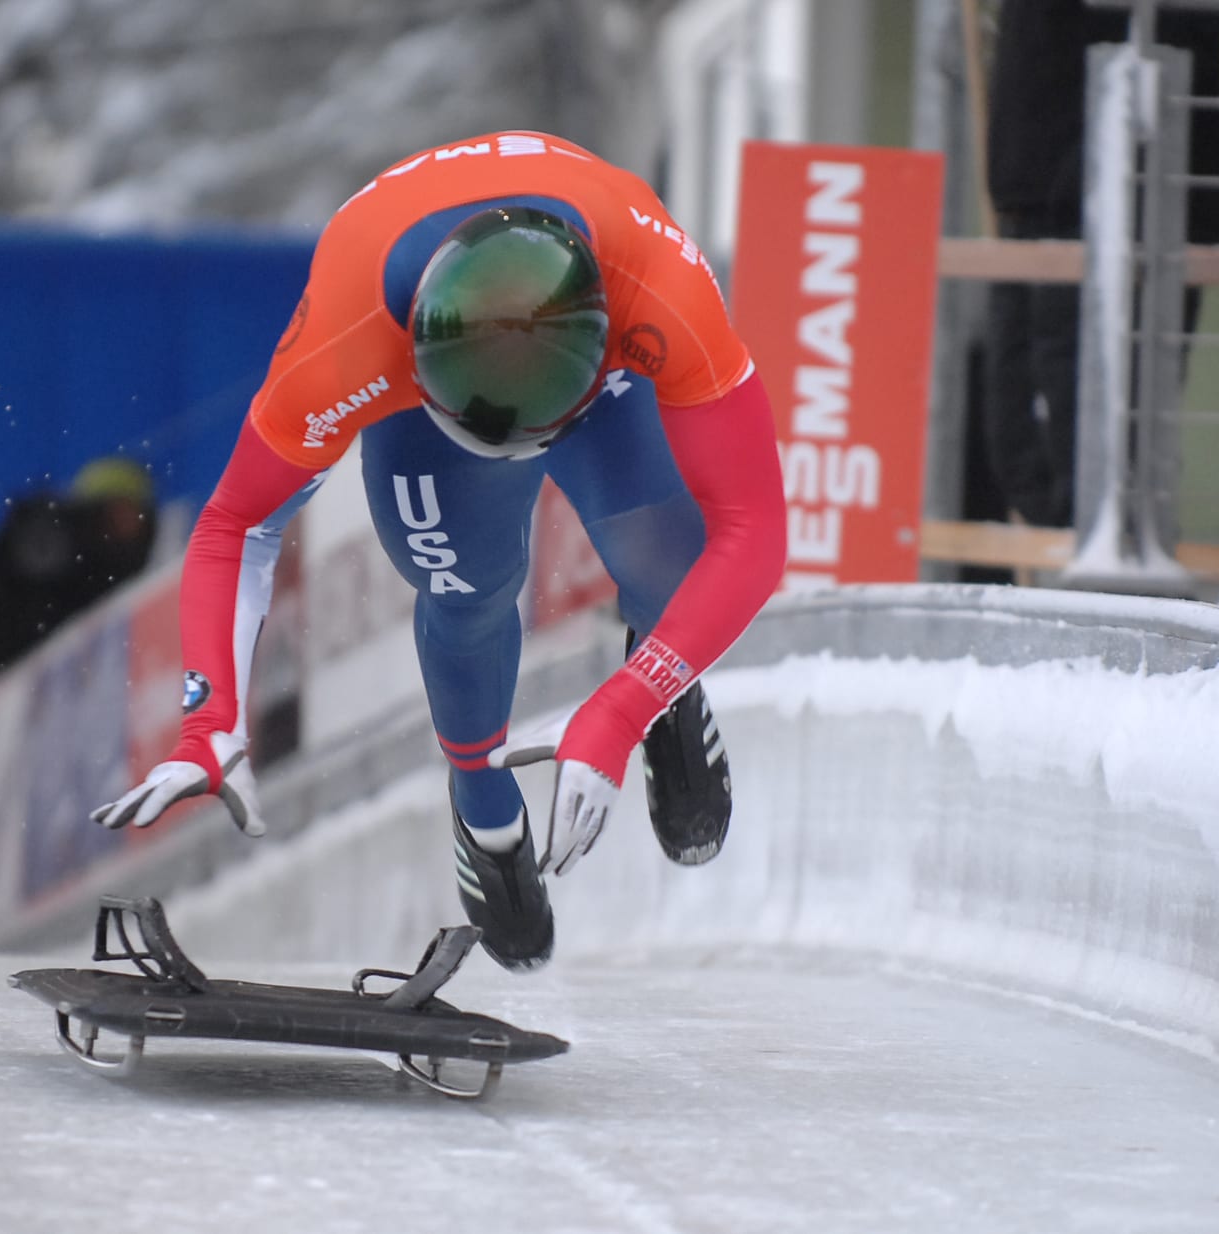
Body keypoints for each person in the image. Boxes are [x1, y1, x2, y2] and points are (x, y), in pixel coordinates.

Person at [91, 131, 788, 972]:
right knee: (466, 588)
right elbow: (236, 523)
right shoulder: (343, 341)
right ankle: (485, 812)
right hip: (427, 409)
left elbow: (755, 535)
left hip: (598, 382)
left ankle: (661, 683)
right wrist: (208, 723)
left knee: (672, 561)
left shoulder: (659, 284)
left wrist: (616, 713)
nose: (522, 457)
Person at [981, 0, 1219, 530]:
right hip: (1048, 177)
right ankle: (1094, 551)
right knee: (1038, 436)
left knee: (1102, 434)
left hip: (1127, 178)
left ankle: (1106, 550)